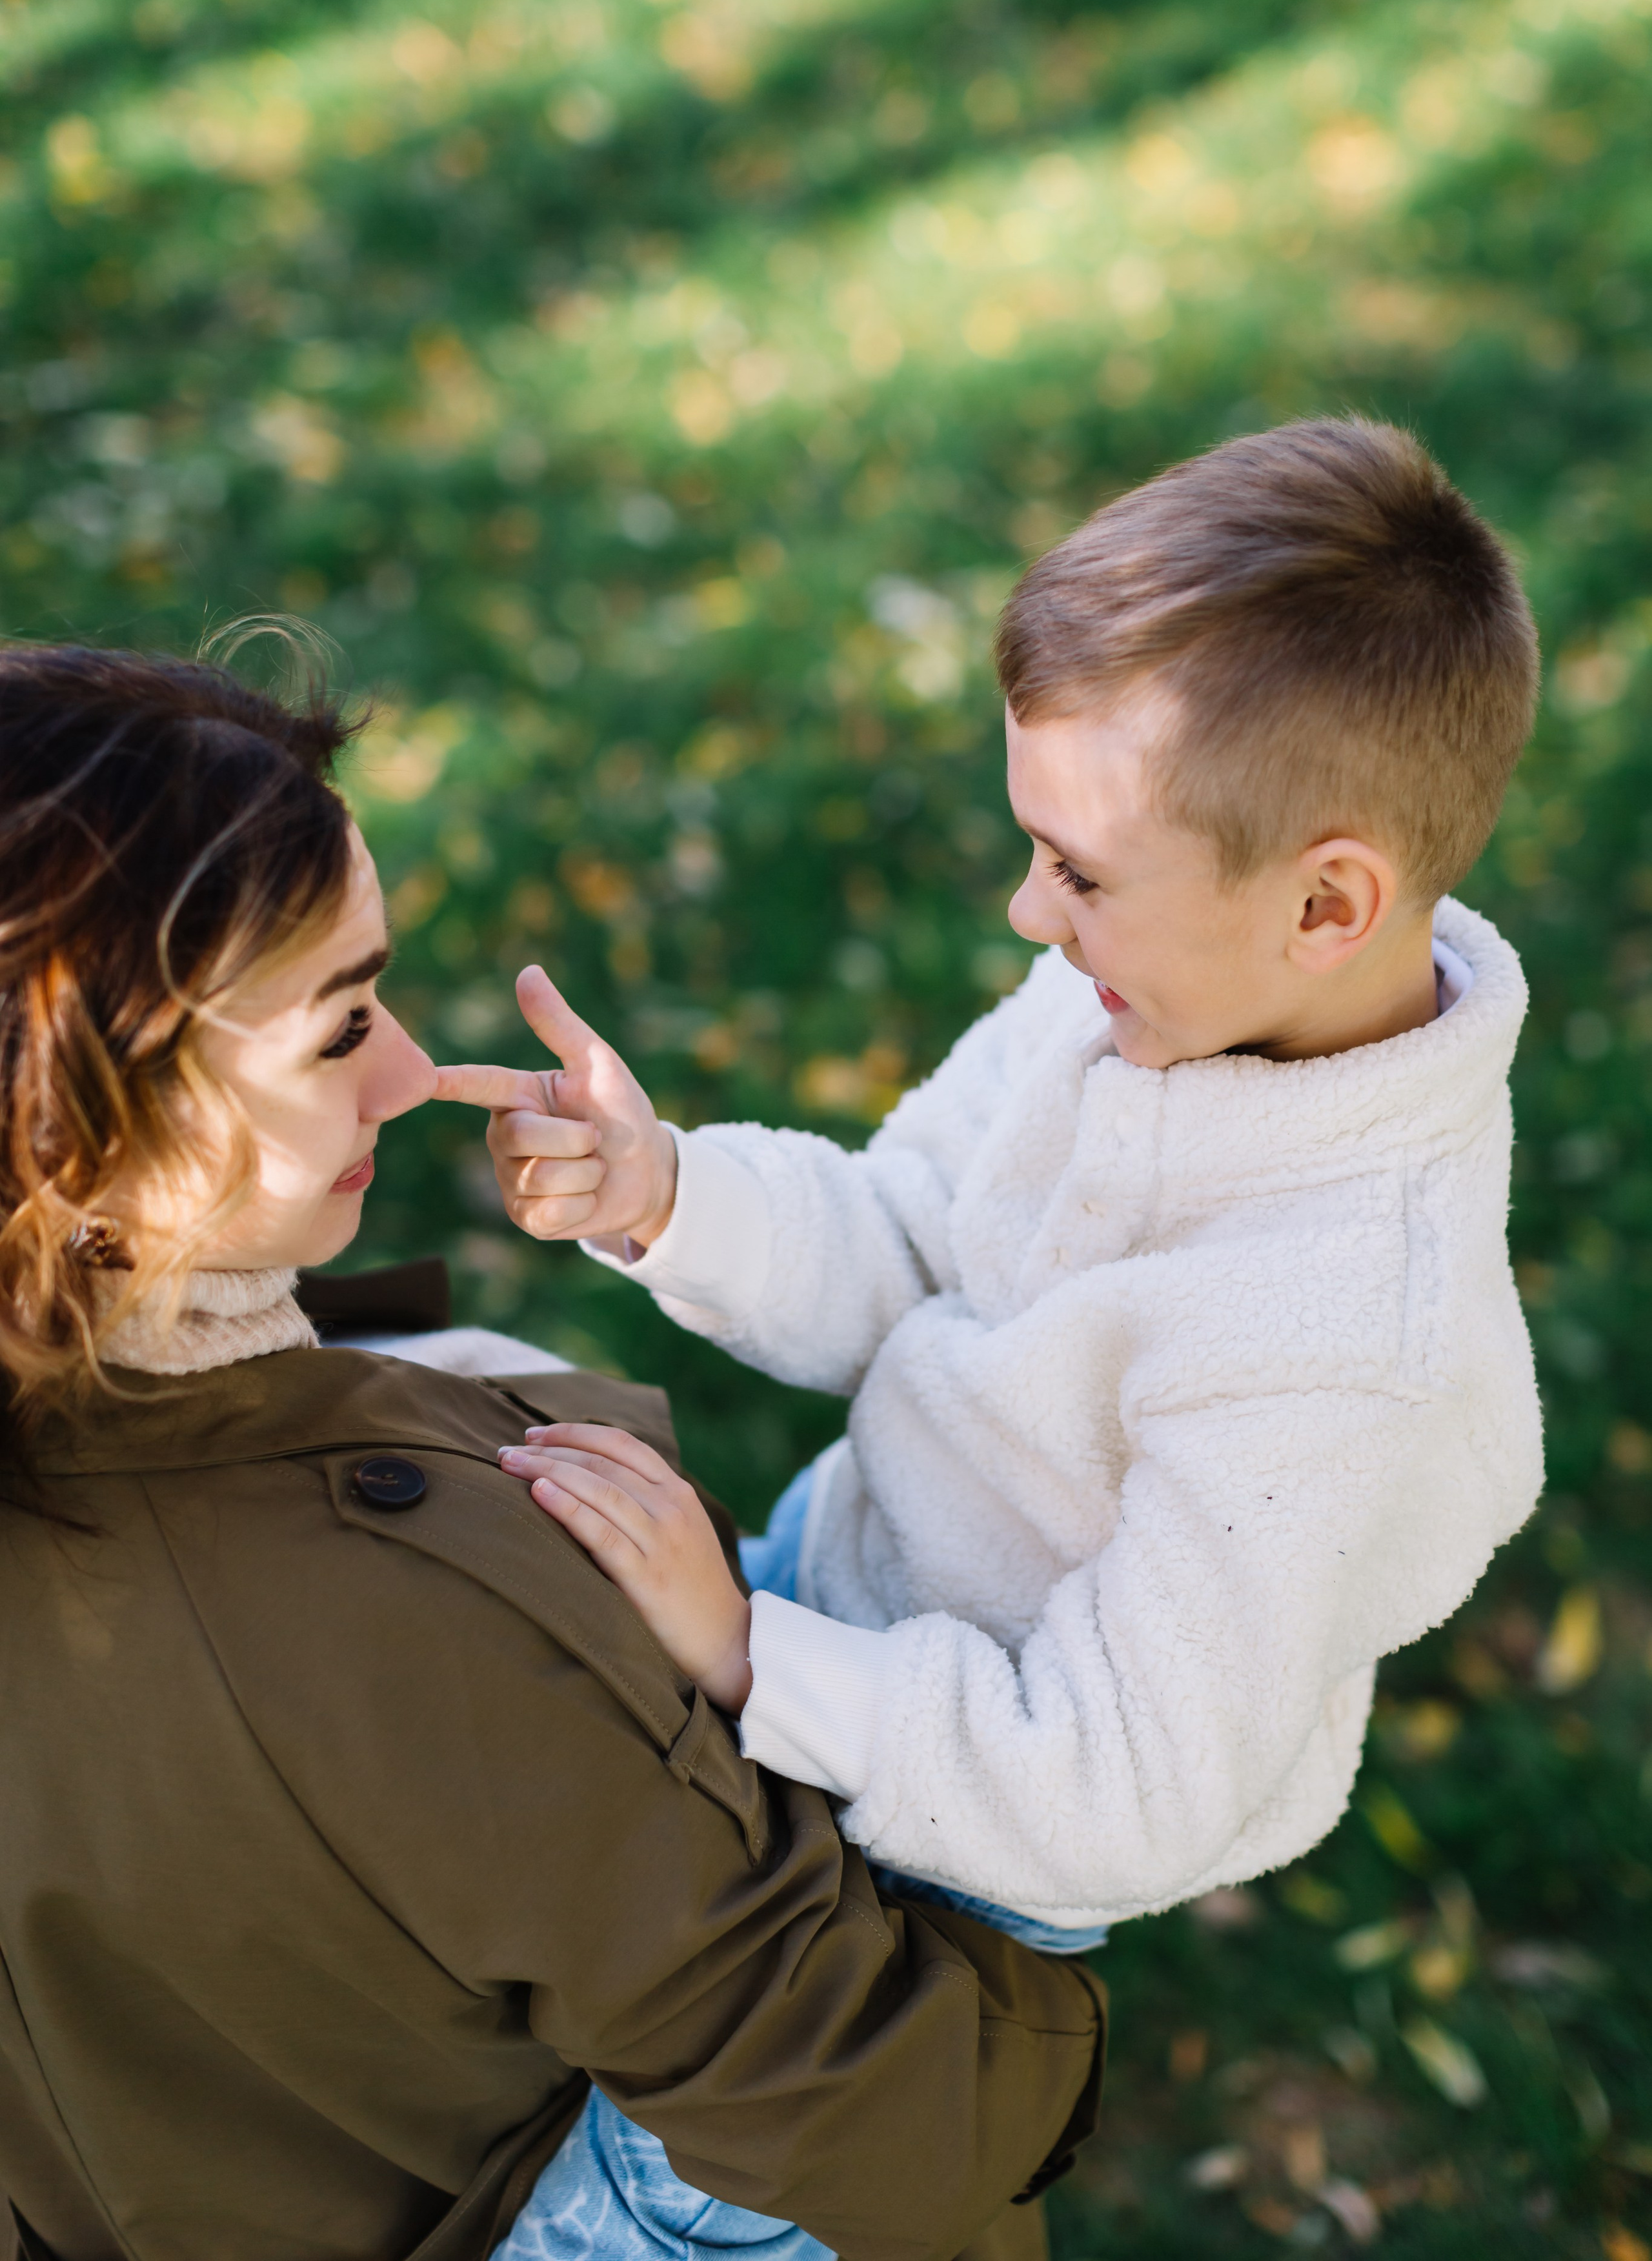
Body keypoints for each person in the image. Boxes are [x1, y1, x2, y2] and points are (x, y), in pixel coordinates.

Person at [440, 417, 1546, 2256]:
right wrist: (668, 1193)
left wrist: (745, 1659)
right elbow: (903, 1248)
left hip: (940, 1888)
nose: (1031, 915)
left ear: (1328, 901)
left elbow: (1104, 1791)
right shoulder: (1137, 997)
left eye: (1081, 874)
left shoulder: (1346, 1334)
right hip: (822, 1597)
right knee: (492, 1949)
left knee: (637, 2202)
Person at [0, 646, 1104, 2261]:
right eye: (338, 1029)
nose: (406, 1070)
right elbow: (852, 2099)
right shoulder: (414, 1623)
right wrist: (1043, 1952)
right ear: (77, 1133)